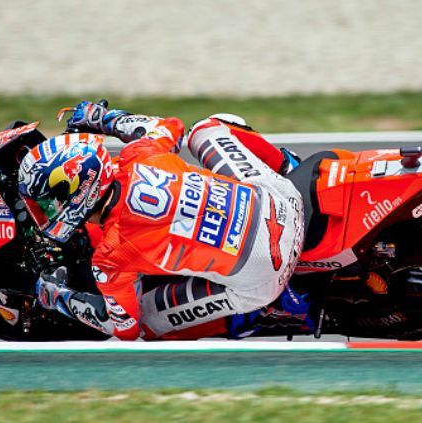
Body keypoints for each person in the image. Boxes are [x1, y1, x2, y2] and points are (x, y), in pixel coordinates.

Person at [18, 100, 305, 340]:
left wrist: (55, 296)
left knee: (147, 323)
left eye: (47, 203)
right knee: (204, 129)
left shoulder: (110, 257)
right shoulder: (139, 155)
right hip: (284, 202)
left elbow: (123, 328)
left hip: (267, 278)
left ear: (78, 192)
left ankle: (250, 318)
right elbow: (172, 128)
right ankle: (287, 166)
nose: (46, 211)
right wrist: (102, 118)